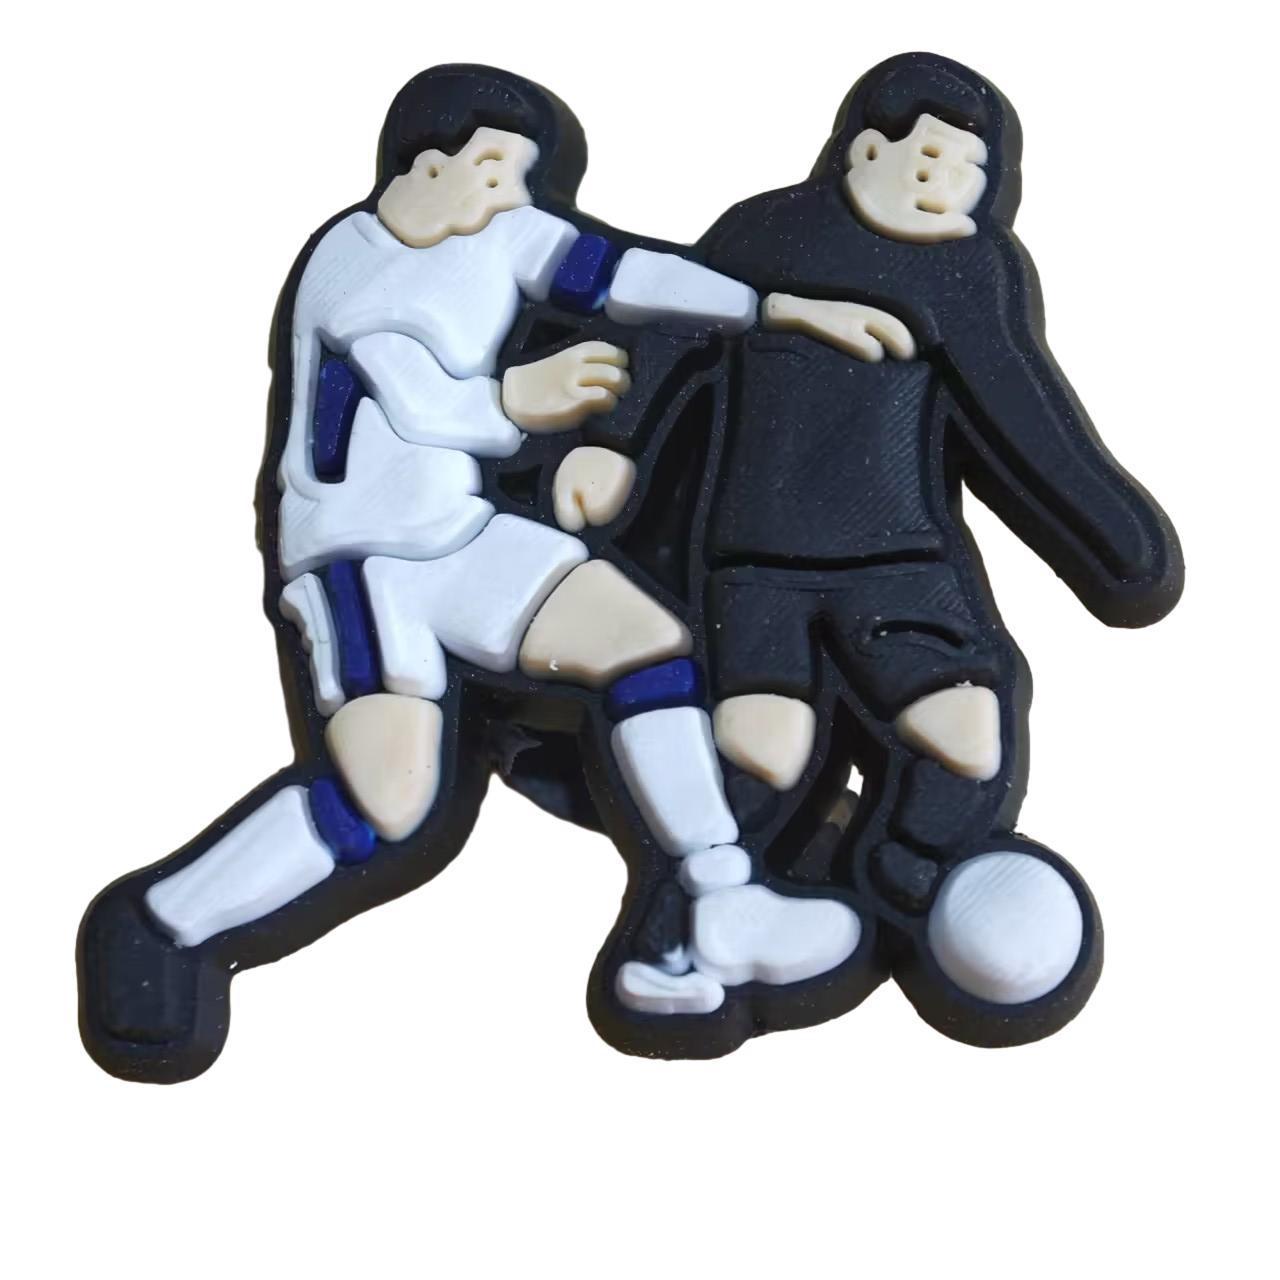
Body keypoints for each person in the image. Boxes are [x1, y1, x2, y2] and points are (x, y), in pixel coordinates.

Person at [78, 65, 873, 1083]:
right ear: (426, 164)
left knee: (642, 641)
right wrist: (518, 399)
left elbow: (622, 269)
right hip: (361, 560)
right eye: (492, 171)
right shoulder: (351, 262)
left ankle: (718, 896)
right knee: (388, 804)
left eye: (517, 179)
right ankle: (162, 923)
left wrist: (772, 306)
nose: (508, 196)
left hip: (459, 532)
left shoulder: (496, 228)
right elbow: (419, 399)